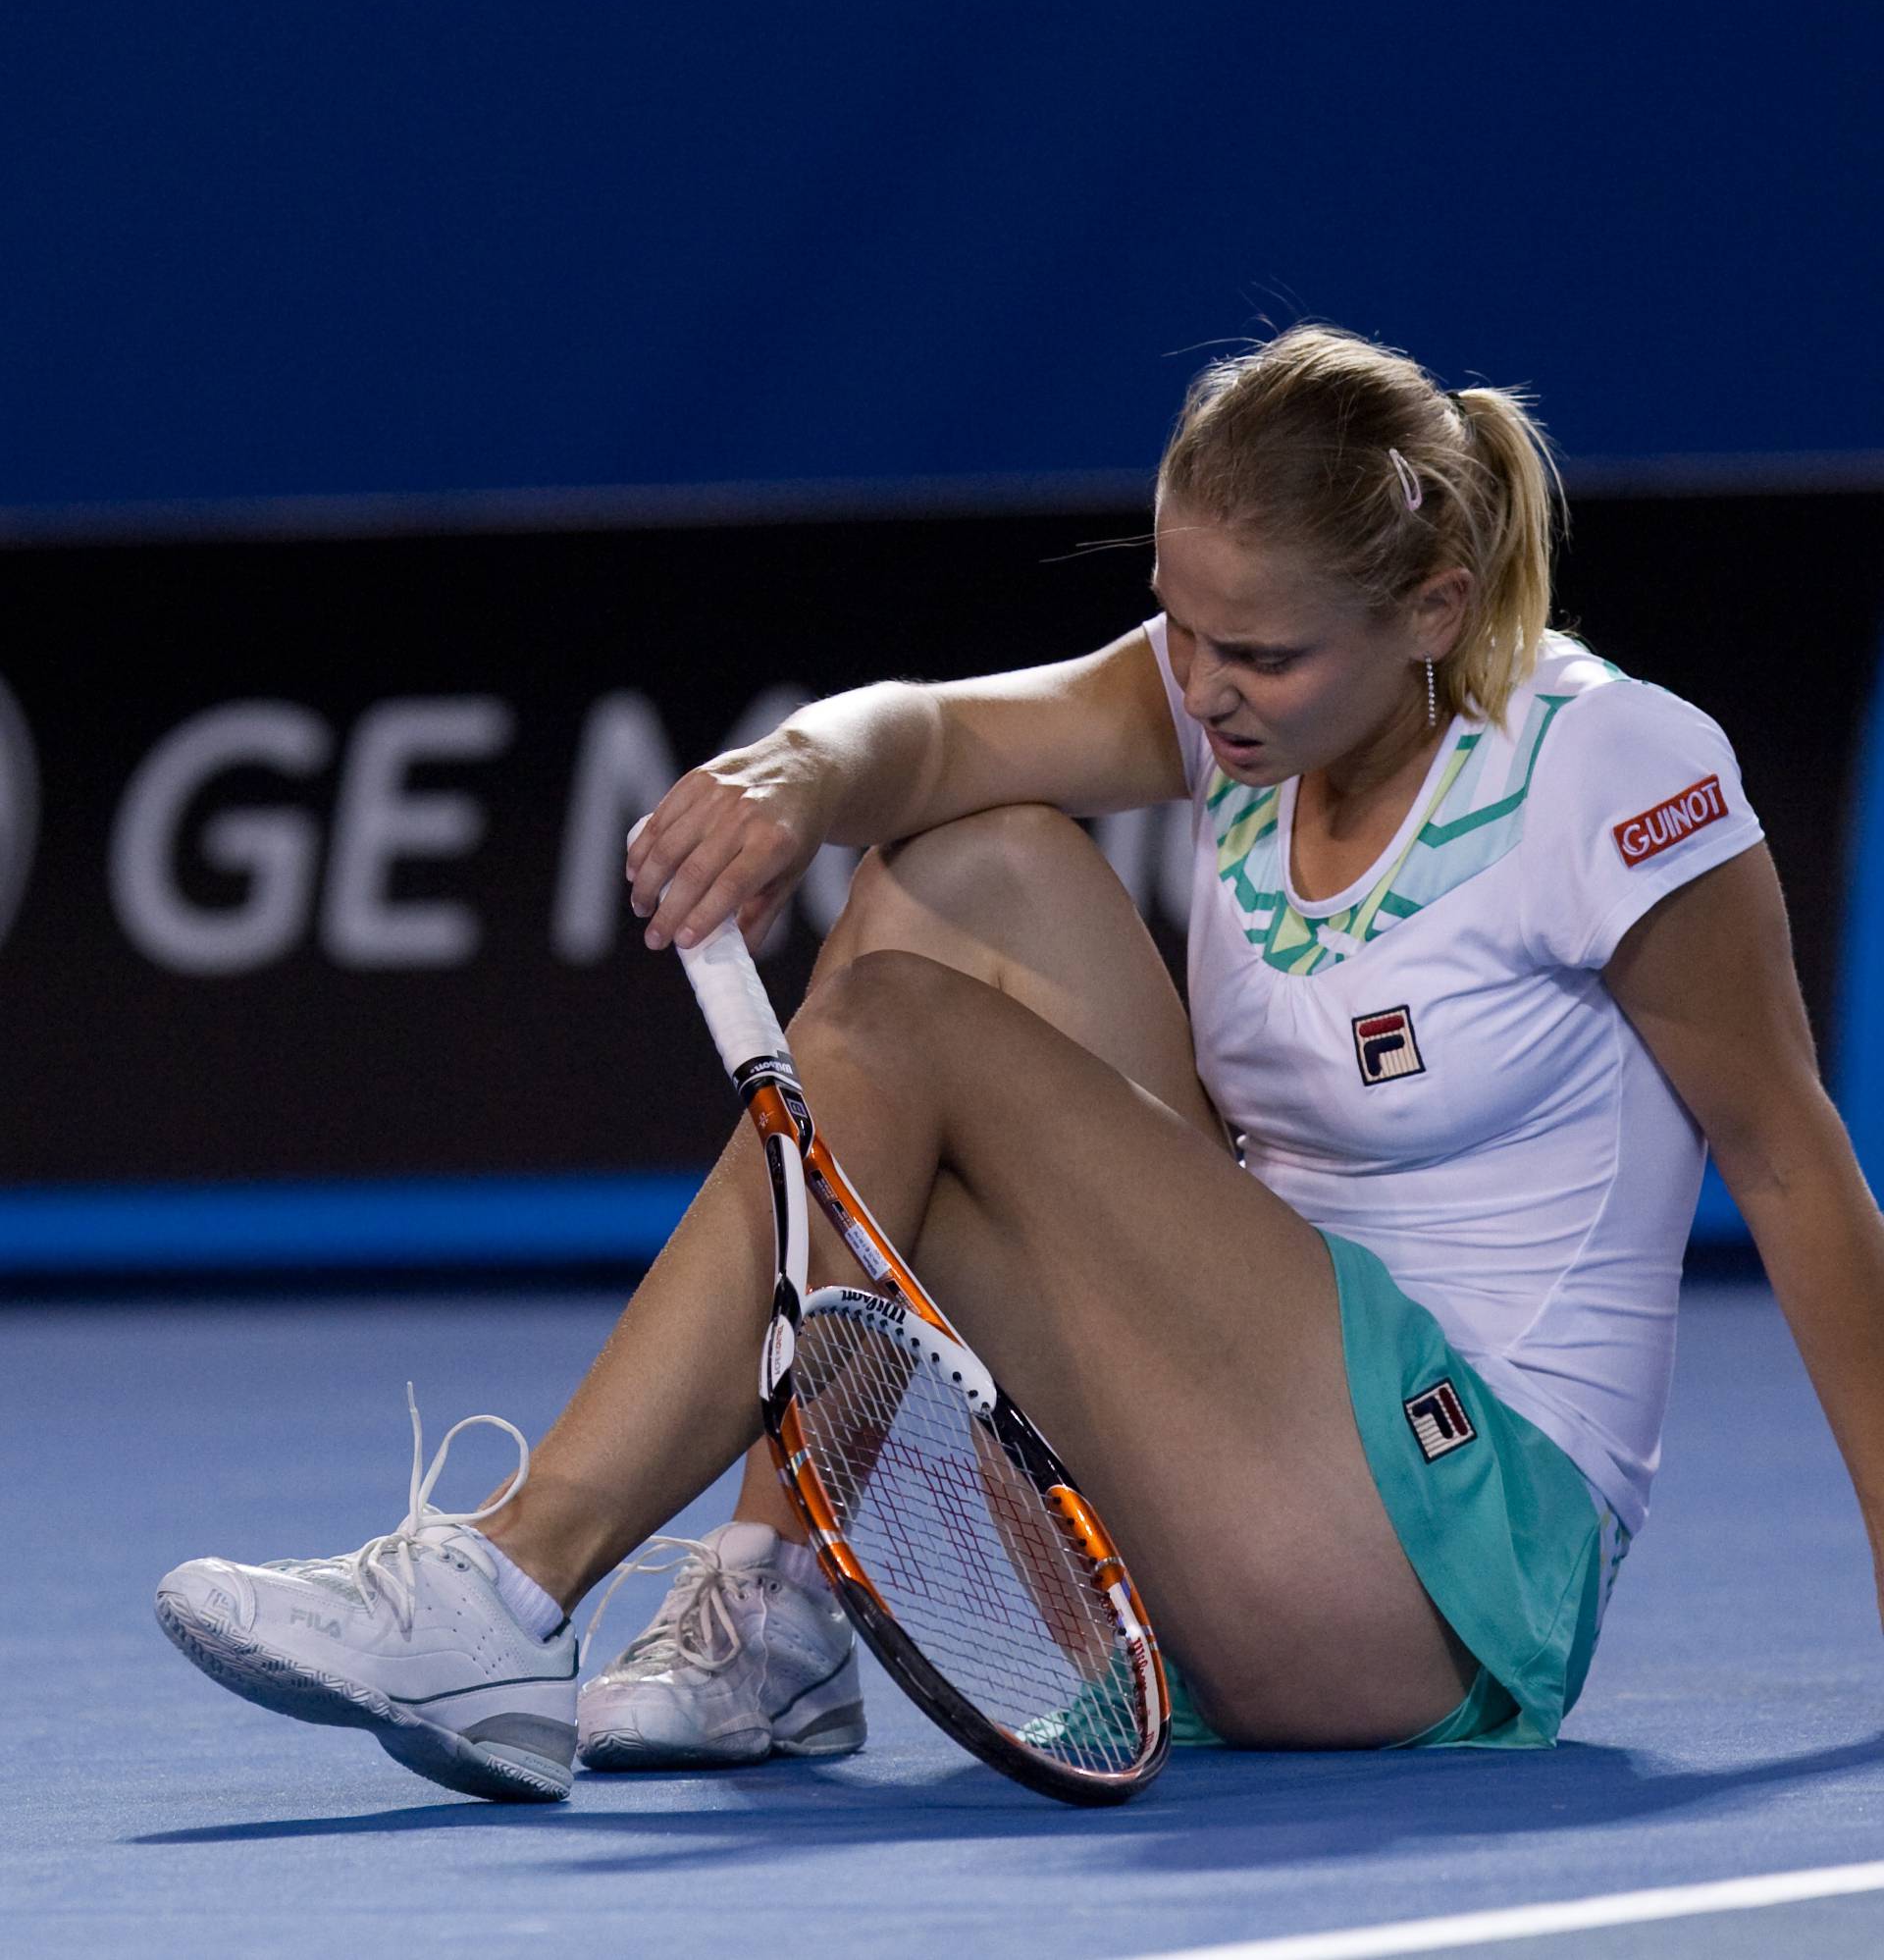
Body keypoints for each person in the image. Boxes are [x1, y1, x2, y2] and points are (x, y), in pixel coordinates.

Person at [155, 324, 1884, 1803]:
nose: (1203, 690)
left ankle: (508, 1585)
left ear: (1435, 608)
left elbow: (1797, 1165)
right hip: (1238, 1470)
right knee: (950, 863)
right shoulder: (1234, 700)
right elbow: (935, 730)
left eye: (1262, 654)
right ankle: (777, 1606)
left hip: (1452, 1561)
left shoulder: (1615, 768)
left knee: (902, 1031)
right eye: (1176, 628)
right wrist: (801, 775)